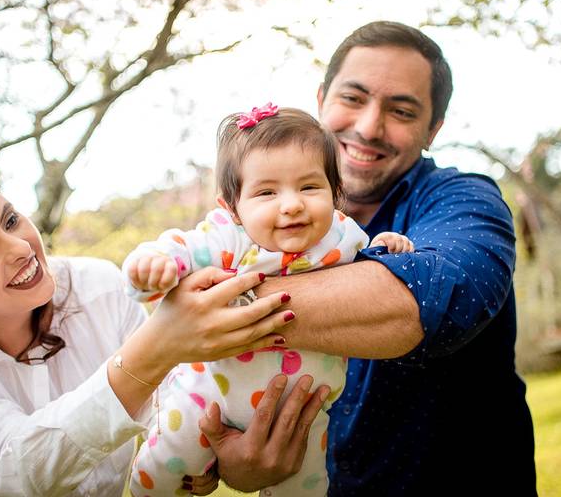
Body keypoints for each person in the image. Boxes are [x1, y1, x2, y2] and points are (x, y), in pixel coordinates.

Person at [0, 165, 328, 497]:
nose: (19, 247)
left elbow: (172, 399)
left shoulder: (98, 287)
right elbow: (21, 467)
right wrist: (154, 348)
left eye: (11, 220)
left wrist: (202, 453)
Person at [200, 21, 537, 495]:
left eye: (401, 110)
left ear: (433, 129)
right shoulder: (257, 228)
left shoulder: (465, 201)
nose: (368, 126)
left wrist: (216, 312)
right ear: (321, 101)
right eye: (353, 99)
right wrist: (235, 461)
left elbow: (434, 300)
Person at [122, 106, 413, 497]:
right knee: (165, 469)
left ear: (335, 192)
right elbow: (180, 248)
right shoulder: (229, 237)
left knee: (308, 488)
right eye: (266, 192)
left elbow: (369, 270)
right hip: (206, 400)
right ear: (232, 208)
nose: (292, 204)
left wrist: (384, 247)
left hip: (303, 414)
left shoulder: (341, 235)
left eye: (310, 187)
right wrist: (152, 266)